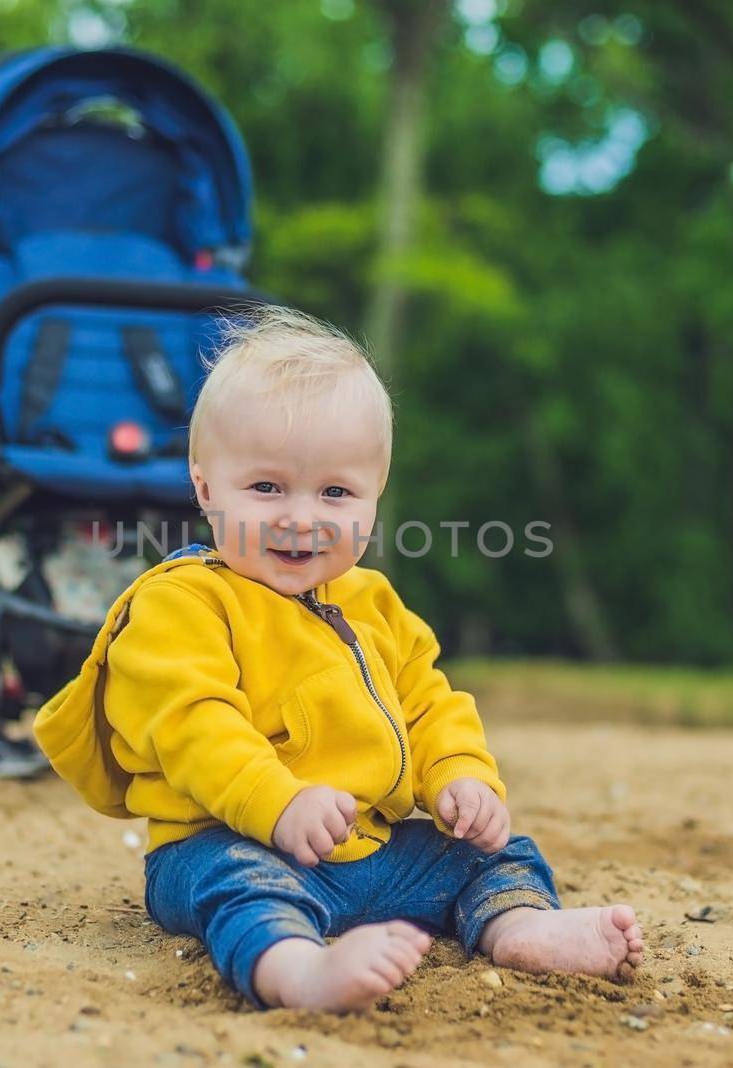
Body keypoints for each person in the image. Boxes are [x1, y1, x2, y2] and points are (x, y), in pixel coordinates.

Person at [34, 307, 643, 1011]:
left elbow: (429, 700)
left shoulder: (372, 601)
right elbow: (192, 726)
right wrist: (277, 802)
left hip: (370, 852)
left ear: (374, 499)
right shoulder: (183, 604)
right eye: (265, 488)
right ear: (205, 488)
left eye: (335, 492)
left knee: (490, 854)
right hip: (225, 840)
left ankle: (520, 926)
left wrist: (461, 774)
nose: (301, 516)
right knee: (240, 888)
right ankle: (297, 970)